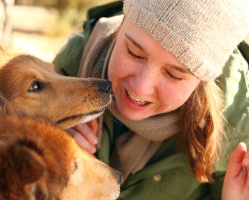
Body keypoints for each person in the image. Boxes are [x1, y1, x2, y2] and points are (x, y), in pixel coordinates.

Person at [53, 0, 249, 199]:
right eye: (134, 53)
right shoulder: (63, 75)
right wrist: (47, 136)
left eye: (174, 75)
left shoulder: (237, 134)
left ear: (203, 80)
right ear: (121, 25)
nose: (141, 88)